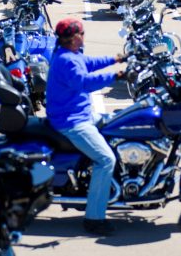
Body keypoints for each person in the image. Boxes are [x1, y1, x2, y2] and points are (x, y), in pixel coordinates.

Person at [45, 17, 126, 236]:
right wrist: (119, 75)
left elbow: (89, 63)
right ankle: (94, 219)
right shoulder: (66, 61)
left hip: (82, 114)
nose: (84, 35)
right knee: (106, 160)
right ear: (74, 38)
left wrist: (117, 58)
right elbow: (86, 82)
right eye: (82, 33)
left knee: (121, 123)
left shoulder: (71, 54)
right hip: (72, 121)